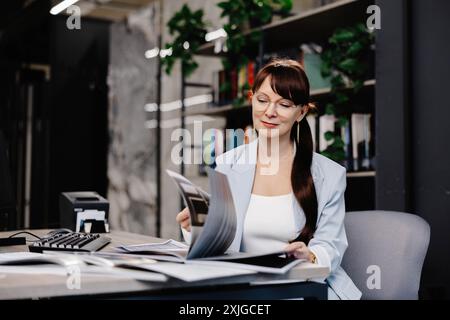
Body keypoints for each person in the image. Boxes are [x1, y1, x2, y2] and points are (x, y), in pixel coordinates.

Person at [176, 59, 361, 300]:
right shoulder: (227, 164)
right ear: (252, 99)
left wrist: (310, 257)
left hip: (303, 287)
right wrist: (197, 230)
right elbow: (221, 243)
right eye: (262, 100)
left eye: (284, 104)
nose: (269, 112)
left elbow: (330, 246)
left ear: (301, 112)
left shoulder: (329, 175)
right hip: (244, 290)